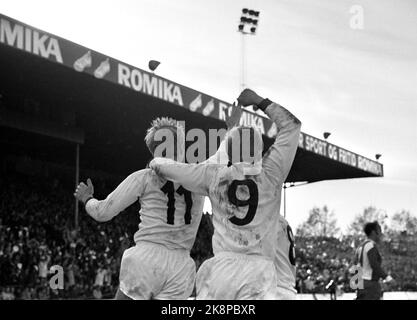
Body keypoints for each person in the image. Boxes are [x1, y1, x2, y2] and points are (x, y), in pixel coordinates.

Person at [150, 88, 301, 299]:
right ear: (259, 150)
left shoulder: (213, 176)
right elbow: (292, 126)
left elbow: (174, 169)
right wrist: (258, 100)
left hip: (221, 272)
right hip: (258, 274)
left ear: (229, 150)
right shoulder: (272, 174)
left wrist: (156, 162)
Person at [74, 111, 241, 300]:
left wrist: (87, 198)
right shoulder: (199, 176)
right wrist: (232, 127)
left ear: (154, 150)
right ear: (181, 146)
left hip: (146, 259)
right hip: (181, 267)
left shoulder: (144, 177)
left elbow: (102, 212)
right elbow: (223, 156)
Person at [354, 221, 394, 300]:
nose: (381, 234)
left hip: (361, 283)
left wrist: (357, 285)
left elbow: (355, 267)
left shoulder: (360, 247)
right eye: (379, 231)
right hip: (370, 285)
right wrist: (387, 277)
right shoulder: (370, 245)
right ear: (373, 232)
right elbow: (374, 264)